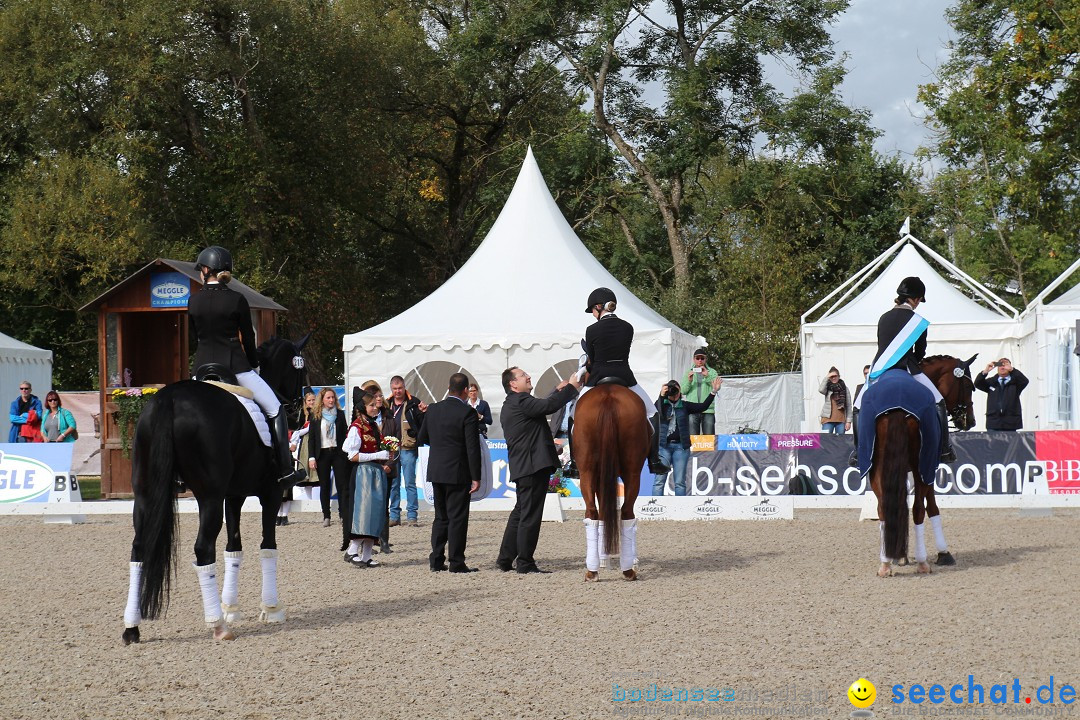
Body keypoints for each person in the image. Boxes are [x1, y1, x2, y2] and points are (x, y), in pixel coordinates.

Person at [187, 245, 302, 485]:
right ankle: (285, 469)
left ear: (207, 270)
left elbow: (193, 338)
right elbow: (248, 340)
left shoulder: (193, 301)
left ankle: (181, 473)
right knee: (275, 409)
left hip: (202, 369)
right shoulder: (236, 299)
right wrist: (254, 365)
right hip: (235, 367)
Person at [851, 276, 954, 465]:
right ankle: (944, 449)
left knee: (857, 407)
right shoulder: (918, 322)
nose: (918, 305)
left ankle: (858, 452)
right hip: (908, 368)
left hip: (880, 368)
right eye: (919, 301)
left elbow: (883, 344)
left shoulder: (884, 318)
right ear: (915, 299)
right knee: (938, 402)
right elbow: (920, 352)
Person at [575, 287, 668, 475]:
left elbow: (592, 358)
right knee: (652, 414)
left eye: (593, 310)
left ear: (599, 307)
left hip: (597, 378)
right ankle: (654, 459)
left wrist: (585, 369)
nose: (593, 315)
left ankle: (573, 464)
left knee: (572, 414)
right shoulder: (628, 327)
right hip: (625, 377)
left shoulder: (591, 330)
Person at [497, 367, 581, 574]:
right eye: (523, 375)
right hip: (533, 467)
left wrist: (556, 390)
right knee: (530, 515)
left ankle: (505, 559)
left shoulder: (514, 403)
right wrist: (571, 387)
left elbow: (541, 404)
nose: (528, 376)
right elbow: (548, 406)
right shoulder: (522, 402)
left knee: (521, 512)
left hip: (525, 466)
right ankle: (525, 562)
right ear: (513, 384)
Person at [417, 372, 482, 573]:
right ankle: (456, 561)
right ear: (465, 391)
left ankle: (436, 560)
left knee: (441, 517)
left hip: (436, 469)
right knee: (458, 518)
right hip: (458, 471)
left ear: (448, 388)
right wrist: (476, 476)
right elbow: (472, 447)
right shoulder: (467, 412)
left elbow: (422, 437)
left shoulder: (434, 409)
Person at [341, 391, 393, 567]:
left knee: (376, 513)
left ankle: (366, 555)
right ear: (363, 408)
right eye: (371, 405)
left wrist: (384, 458)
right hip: (363, 473)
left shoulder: (372, 426)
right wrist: (377, 455)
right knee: (364, 513)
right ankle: (352, 550)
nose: (375, 407)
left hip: (375, 472)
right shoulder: (357, 427)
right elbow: (352, 455)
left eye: (374, 405)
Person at [652, 377, 722, 496]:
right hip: (663, 446)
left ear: (680, 392)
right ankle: (655, 509)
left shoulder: (684, 405)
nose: (674, 393)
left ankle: (680, 510)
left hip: (681, 446)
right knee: (659, 481)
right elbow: (657, 412)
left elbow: (703, 407)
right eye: (671, 390)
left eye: (676, 390)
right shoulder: (661, 404)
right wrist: (661, 396)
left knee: (679, 482)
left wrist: (713, 392)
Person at [307, 388, 351, 532]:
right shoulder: (315, 415)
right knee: (324, 485)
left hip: (338, 452)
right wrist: (311, 457)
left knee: (342, 485)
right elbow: (312, 438)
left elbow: (345, 434)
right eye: (328, 398)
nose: (331, 400)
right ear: (322, 399)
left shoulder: (339, 414)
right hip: (322, 453)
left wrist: (346, 453)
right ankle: (326, 515)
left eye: (333, 397)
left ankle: (343, 514)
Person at [387, 375, 426, 527]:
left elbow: (422, 423)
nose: (398, 391)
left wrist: (423, 413)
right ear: (391, 389)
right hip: (391, 448)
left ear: (404, 387)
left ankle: (412, 516)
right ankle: (394, 515)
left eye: (400, 388)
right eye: (395, 389)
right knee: (393, 483)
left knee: (410, 482)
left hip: (408, 448)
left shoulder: (414, 402)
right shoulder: (386, 404)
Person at [281, 390, 319, 526]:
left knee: (316, 475)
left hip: (315, 441)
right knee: (306, 475)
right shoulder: (301, 415)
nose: (311, 403)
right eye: (309, 401)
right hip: (304, 443)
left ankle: (315, 503)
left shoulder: (319, 413)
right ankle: (309, 501)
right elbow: (296, 431)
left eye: (313, 400)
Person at [974, 358, 1028, 431]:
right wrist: (985, 371)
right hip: (993, 423)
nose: (1002, 367)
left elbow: (1024, 381)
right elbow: (977, 384)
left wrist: (1013, 370)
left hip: (1010, 423)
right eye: (1000, 365)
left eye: (1005, 365)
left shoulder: (1015, 383)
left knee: (1011, 442)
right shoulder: (991, 382)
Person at [683, 348, 719, 435]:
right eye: (697, 358)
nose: (700, 360)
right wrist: (689, 381)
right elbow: (683, 391)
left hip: (708, 409)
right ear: (693, 359)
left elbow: (717, 387)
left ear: (705, 359)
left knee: (709, 441)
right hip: (692, 409)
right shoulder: (688, 372)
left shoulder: (712, 372)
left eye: (702, 358)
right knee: (692, 440)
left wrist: (707, 376)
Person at [818, 367, 851, 435]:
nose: (833, 378)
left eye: (835, 376)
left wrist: (848, 421)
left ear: (839, 376)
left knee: (840, 443)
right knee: (826, 441)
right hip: (827, 419)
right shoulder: (827, 387)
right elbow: (821, 390)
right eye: (831, 376)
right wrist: (827, 377)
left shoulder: (845, 388)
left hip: (841, 420)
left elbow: (848, 405)